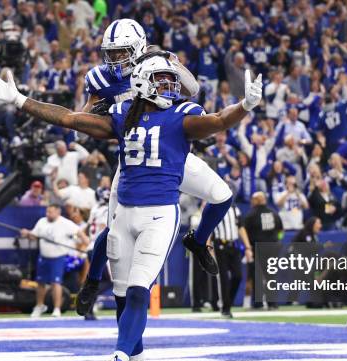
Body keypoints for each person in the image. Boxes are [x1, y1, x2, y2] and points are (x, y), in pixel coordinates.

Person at [0, 53, 263, 361]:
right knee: (121, 295)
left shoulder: (181, 116)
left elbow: (218, 120)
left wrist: (245, 106)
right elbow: (71, 118)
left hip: (159, 214)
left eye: (169, 79)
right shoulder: (122, 116)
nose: (169, 86)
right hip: (126, 212)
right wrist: (20, 100)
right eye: (162, 80)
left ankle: (118, 358)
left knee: (137, 291)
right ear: (144, 84)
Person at [80, 20, 233, 316]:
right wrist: (93, 114)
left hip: (169, 152)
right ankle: (92, 280)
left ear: (138, 46)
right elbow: (82, 119)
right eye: (111, 53)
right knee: (114, 228)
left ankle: (198, 241)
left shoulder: (158, 62)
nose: (115, 60)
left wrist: (167, 61)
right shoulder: (100, 78)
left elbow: (192, 89)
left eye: (122, 52)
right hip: (135, 163)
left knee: (222, 194)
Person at [20, 204, 88, 317]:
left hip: (58, 257)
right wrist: (27, 234)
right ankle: (39, 306)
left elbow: (79, 232)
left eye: (50, 212)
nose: (48, 214)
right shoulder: (42, 222)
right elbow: (34, 236)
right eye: (47, 212)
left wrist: (86, 243)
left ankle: (57, 309)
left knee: (56, 283)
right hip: (43, 256)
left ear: (58, 212)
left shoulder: (65, 223)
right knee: (40, 282)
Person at [212, 202, 253, 318]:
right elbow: (208, 228)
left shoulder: (235, 208)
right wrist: (208, 247)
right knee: (223, 278)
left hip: (233, 245)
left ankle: (227, 302)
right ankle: (225, 308)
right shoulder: (214, 207)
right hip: (220, 245)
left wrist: (248, 247)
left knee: (238, 276)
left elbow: (241, 227)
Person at [243, 191, 283, 309]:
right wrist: (276, 241)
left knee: (257, 275)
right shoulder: (274, 213)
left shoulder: (251, 215)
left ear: (258, 200)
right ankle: (272, 303)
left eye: (253, 200)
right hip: (272, 248)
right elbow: (281, 231)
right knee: (271, 275)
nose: (251, 202)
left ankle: (258, 303)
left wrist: (248, 246)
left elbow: (244, 231)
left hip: (257, 248)